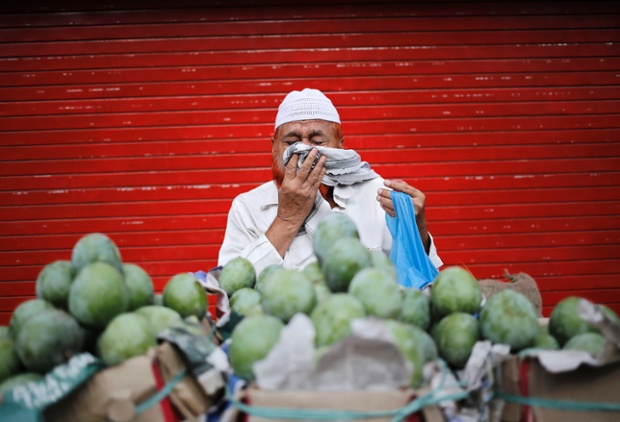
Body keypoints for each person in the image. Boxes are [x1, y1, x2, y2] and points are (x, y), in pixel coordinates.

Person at [218, 88, 442, 276]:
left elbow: (420, 280)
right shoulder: (247, 207)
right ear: (274, 147)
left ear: (340, 145)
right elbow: (230, 292)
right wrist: (287, 220)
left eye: (317, 141)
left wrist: (418, 229)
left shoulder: (378, 196)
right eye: (291, 142)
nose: (304, 150)